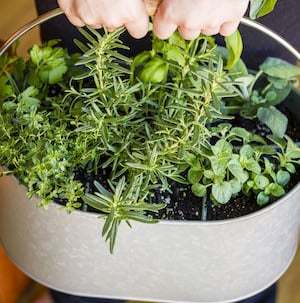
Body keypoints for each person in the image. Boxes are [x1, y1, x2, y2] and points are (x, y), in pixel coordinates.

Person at [33, 1, 299, 302]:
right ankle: (74, 292)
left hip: (239, 24)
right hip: (95, 21)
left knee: (235, 274)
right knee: (78, 261)